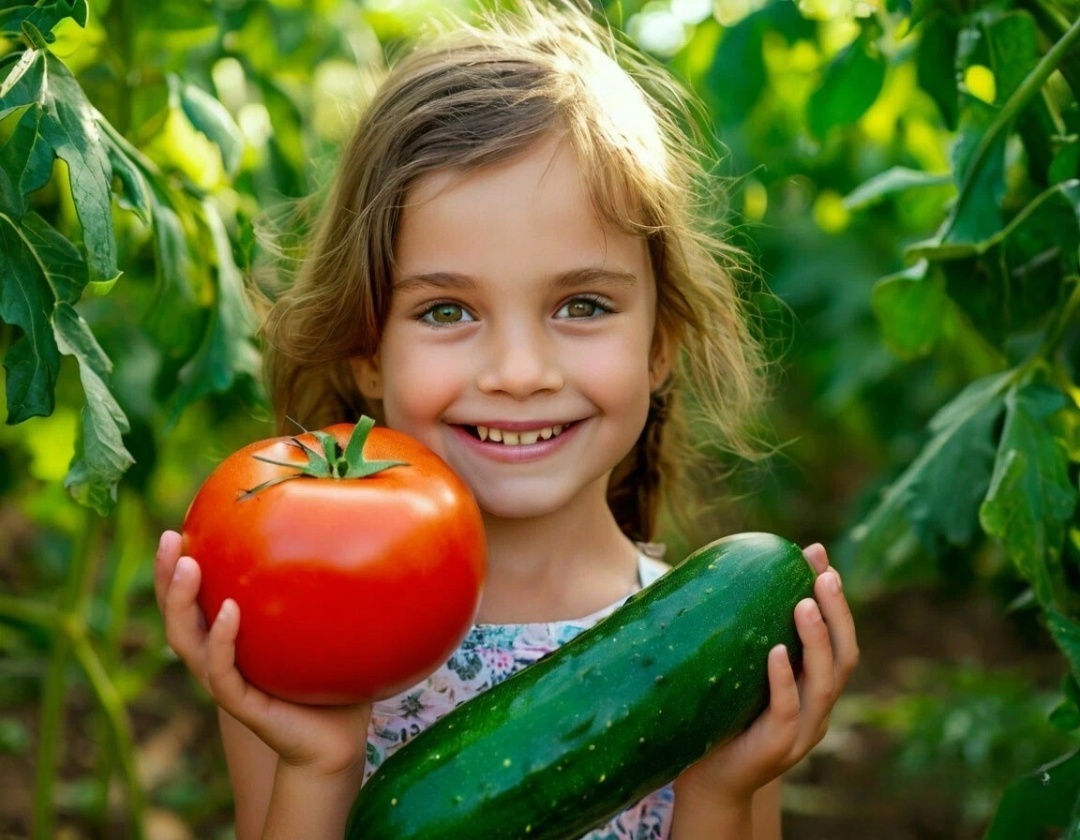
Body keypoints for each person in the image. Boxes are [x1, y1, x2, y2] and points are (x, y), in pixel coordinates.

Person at [154, 2, 859, 837]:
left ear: (660, 342)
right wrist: (320, 764)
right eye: (448, 311)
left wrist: (722, 789)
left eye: (583, 304)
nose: (520, 374)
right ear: (366, 349)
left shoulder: (722, 647)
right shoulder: (293, 635)